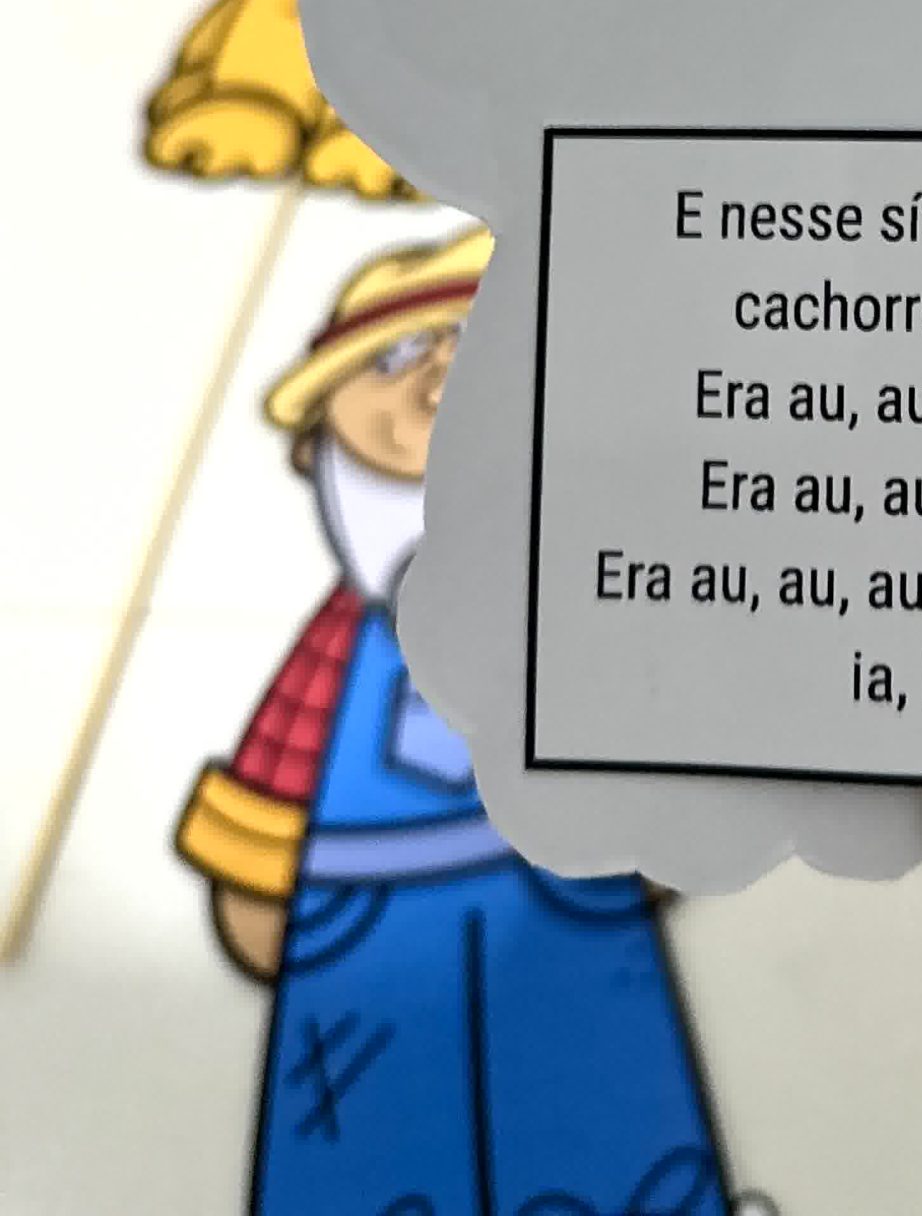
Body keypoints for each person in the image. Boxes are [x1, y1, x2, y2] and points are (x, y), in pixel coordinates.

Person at [176, 228, 735, 1215]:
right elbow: (278, 771)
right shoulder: (337, 649)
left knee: (600, 1131)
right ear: (316, 439)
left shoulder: (575, 605)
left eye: (471, 346)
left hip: (566, 915)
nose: (441, 382)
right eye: (396, 356)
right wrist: (261, 887)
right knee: (368, 1159)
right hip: (365, 944)